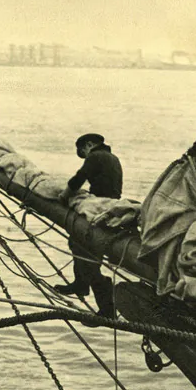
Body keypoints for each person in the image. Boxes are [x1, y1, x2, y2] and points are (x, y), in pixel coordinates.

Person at [54, 133, 123, 317]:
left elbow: (79, 178)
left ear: (89, 144)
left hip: (98, 210)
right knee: (75, 241)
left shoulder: (96, 156)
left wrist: (64, 196)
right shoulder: (112, 158)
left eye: (82, 151)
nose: (84, 156)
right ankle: (81, 284)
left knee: (89, 260)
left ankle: (107, 308)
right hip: (108, 206)